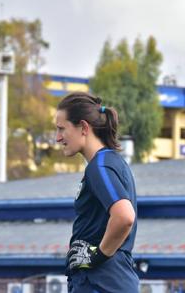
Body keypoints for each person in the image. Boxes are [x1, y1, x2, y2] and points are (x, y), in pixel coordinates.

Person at [55, 92, 139, 293]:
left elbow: (125, 216)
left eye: (61, 129)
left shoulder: (99, 166)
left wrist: (97, 255)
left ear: (83, 127)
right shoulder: (111, 163)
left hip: (102, 283)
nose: (57, 138)